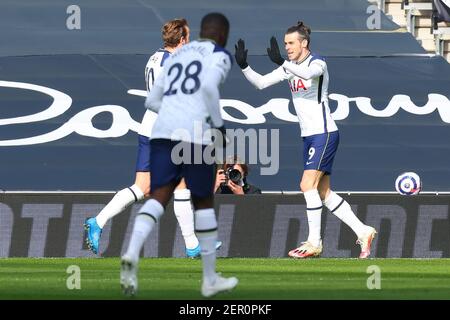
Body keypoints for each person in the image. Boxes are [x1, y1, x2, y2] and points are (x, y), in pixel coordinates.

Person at [234, 21, 377, 259]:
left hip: (324, 132)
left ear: (304, 43)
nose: (287, 47)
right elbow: (260, 83)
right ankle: (363, 230)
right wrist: (244, 66)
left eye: (291, 43)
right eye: (285, 44)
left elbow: (309, 74)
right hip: (309, 136)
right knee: (323, 193)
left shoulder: (317, 62)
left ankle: (314, 242)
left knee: (306, 185)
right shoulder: (289, 67)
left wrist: (284, 63)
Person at [120, 12, 238, 298]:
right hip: (188, 135)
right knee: (203, 200)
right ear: (221, 34)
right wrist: (218, 126)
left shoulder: (173, 59)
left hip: (159, 133)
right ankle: (209, 278)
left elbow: (151, 100)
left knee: (158, 196)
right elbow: (208, 89)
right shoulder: (215, 56)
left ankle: (132, 253)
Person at [84, 18, 220, 258]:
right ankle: (193, 244)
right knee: (181, 184)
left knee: (143, 186)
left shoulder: (155, 57)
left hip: (150, 127)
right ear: (182, 40)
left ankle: (98, 221)